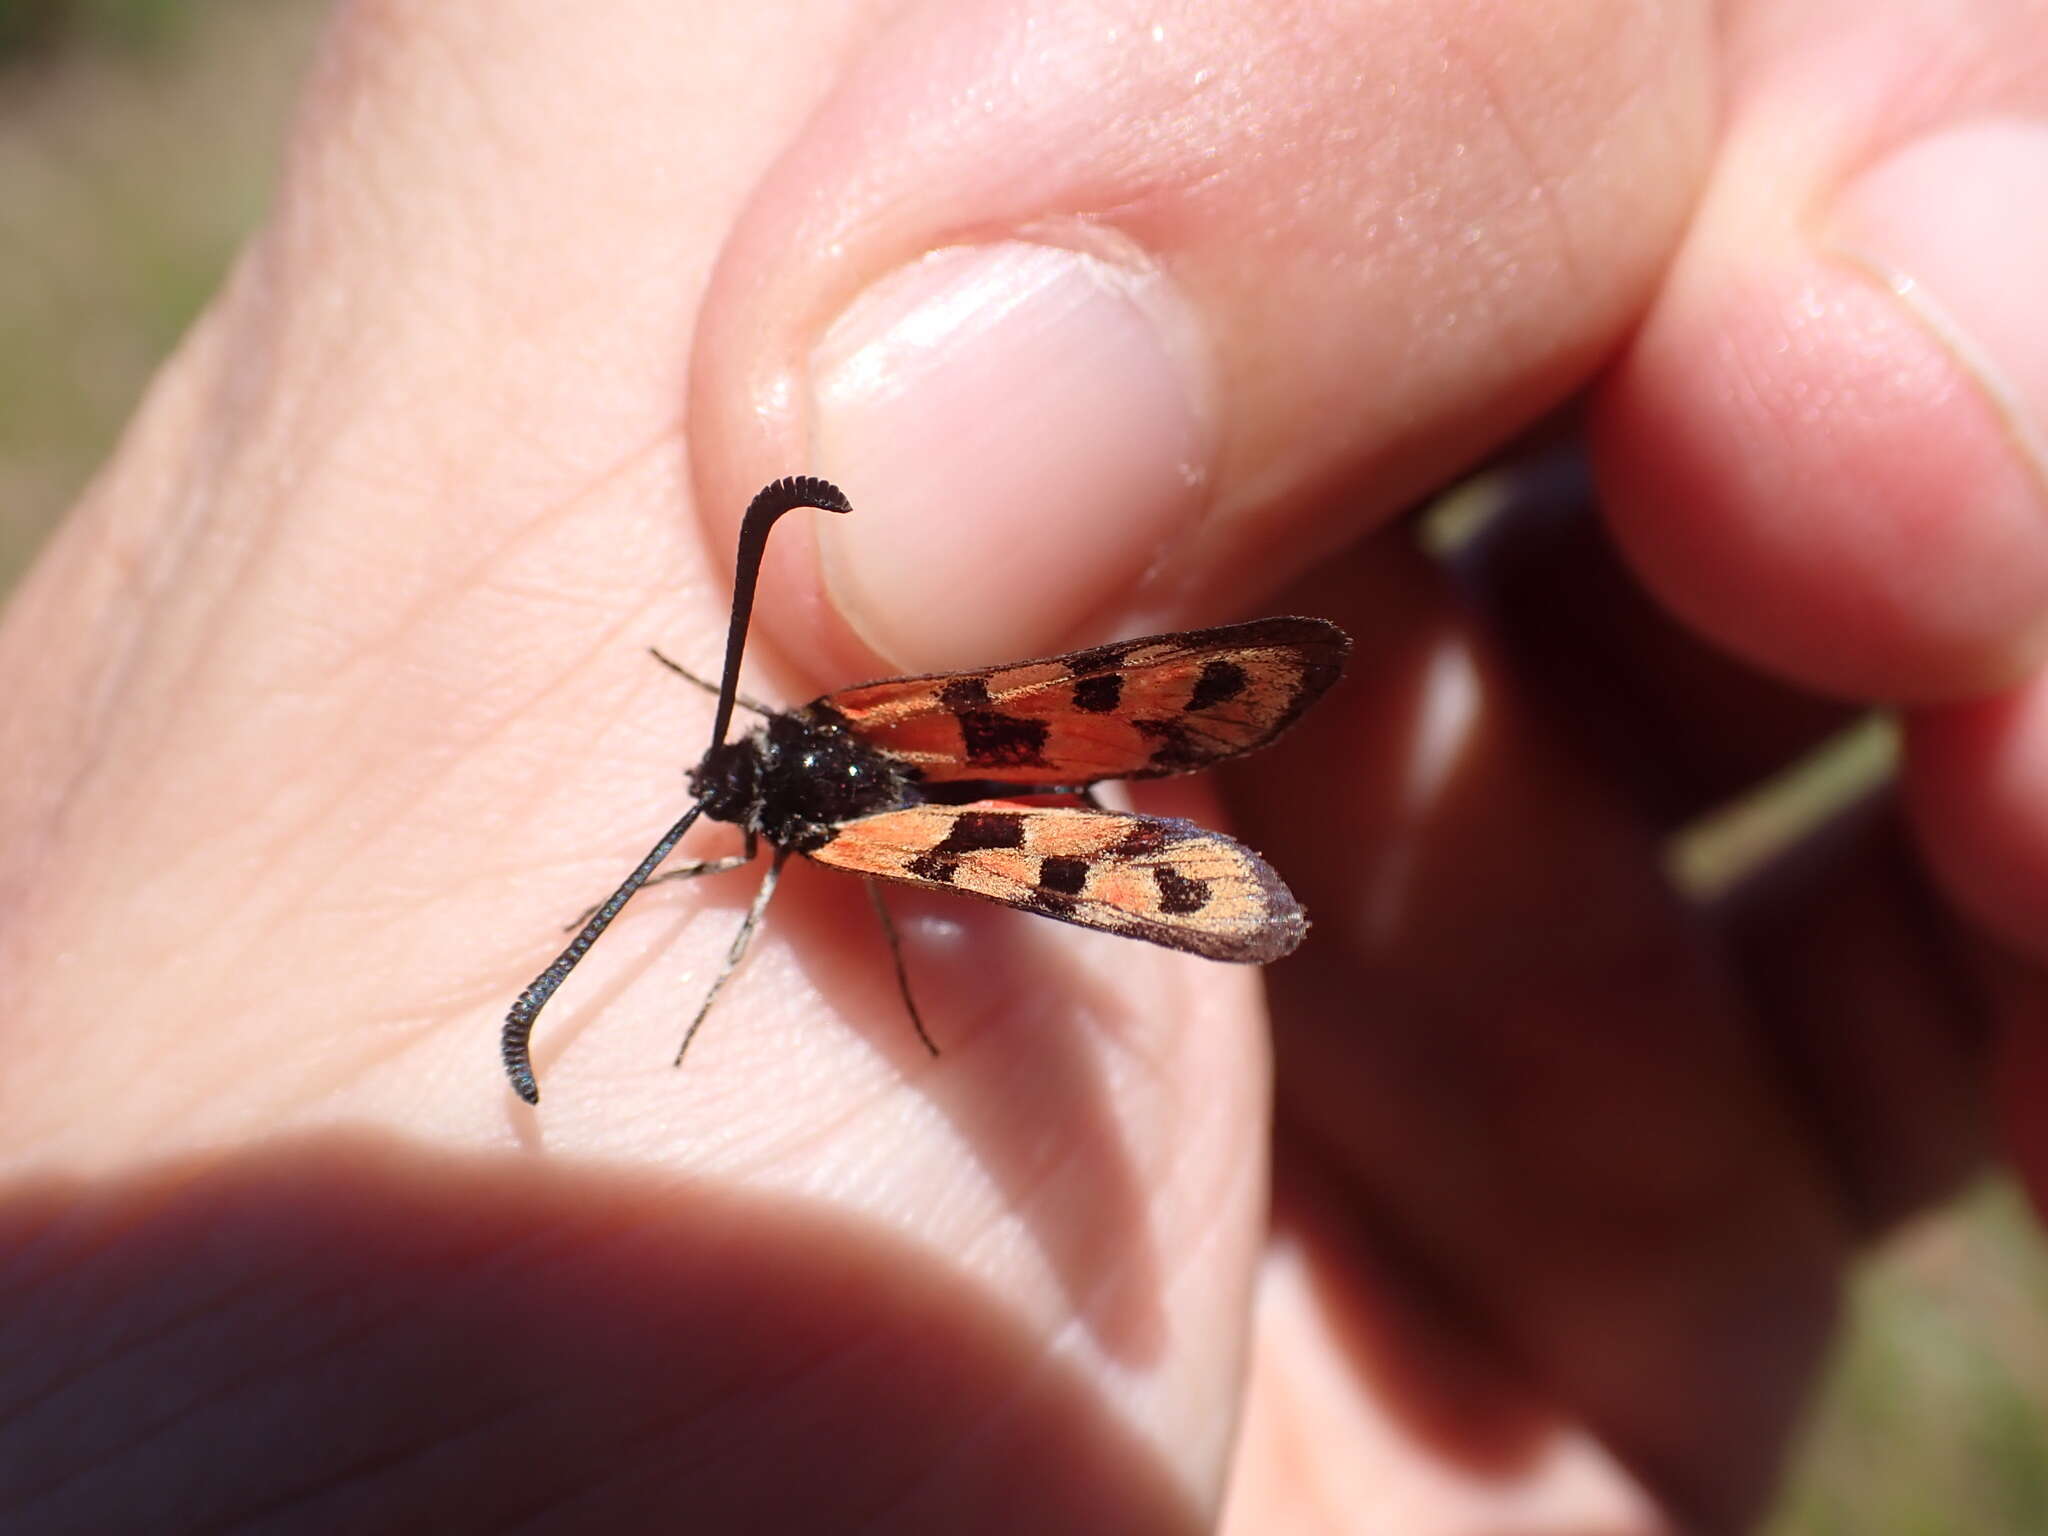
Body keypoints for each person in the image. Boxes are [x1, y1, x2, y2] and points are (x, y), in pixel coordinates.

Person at [3, 1, 2044, 1529]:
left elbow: (839, 816)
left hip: (997, 814)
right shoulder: (822, 796)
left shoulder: (834, 781)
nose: (730, 797)